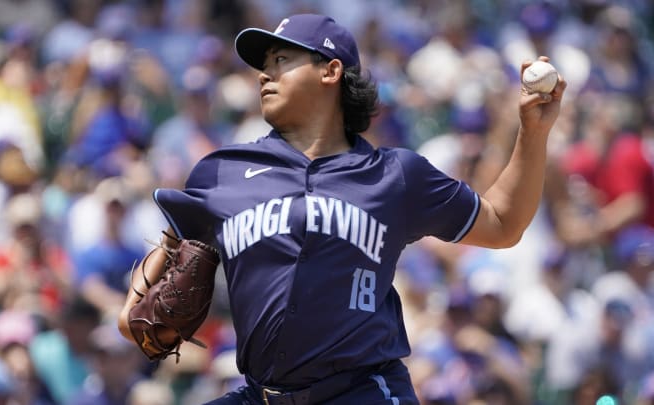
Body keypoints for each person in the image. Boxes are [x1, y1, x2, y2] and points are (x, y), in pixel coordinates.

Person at [118, 14, 567, 404]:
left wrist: (532, 132)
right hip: (261, 395)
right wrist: (154, 276)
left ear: (330, 71)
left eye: (281, 61)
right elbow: (132, 321)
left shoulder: (396, 175)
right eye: (263, 64)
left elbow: (504, 224)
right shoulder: (220, 173)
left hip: (363, 392)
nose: (263, 74)